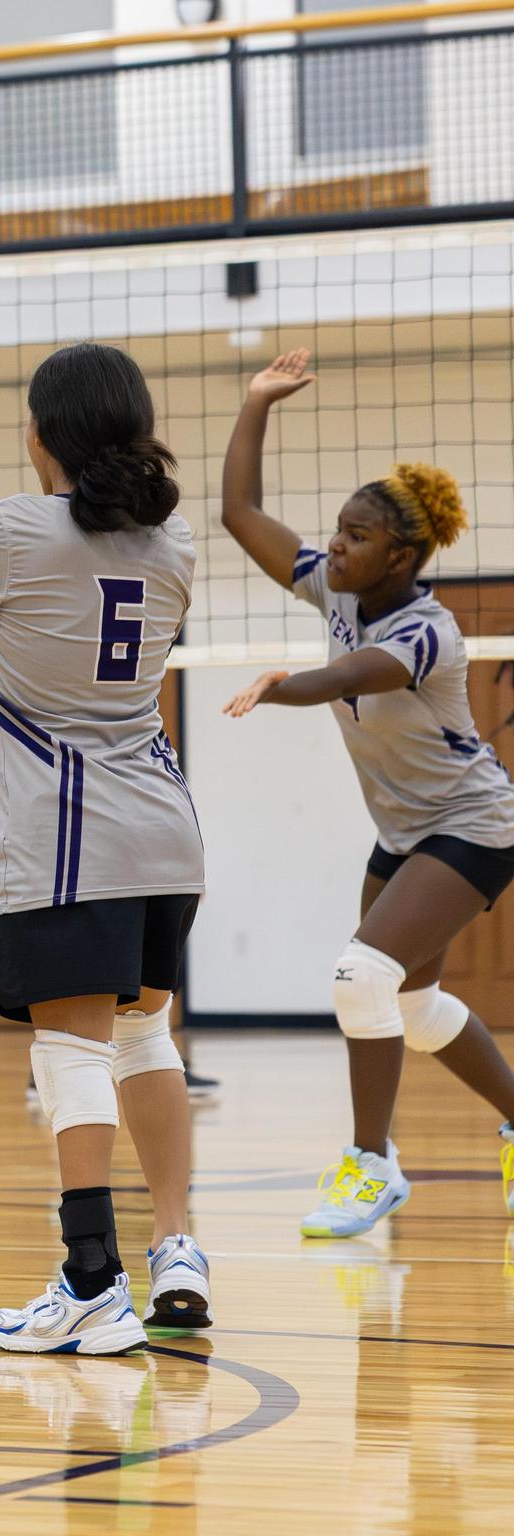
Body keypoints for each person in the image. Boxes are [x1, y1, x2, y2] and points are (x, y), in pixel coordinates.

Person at [0, 341, 210, 1353]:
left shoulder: (6, 533)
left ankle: (89, 1282)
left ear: (41, 433)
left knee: (69, 1052)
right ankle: (177, 1249)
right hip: (166, 828)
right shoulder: (179, 546)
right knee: (145, 1039)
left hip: (72, 841)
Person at [220, 347, 514, 1237]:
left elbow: (349, 673)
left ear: (404, 555)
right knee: (411, 1003)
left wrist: (283, 683)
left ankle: (373, 1166)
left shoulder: (428, 632)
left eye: (356, 535)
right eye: (337, 529)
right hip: (404, 832)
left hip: (473, 827)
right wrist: (256, 402)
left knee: (360, 975)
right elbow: (240, 513)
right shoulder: (335, 587)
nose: (335, 544)